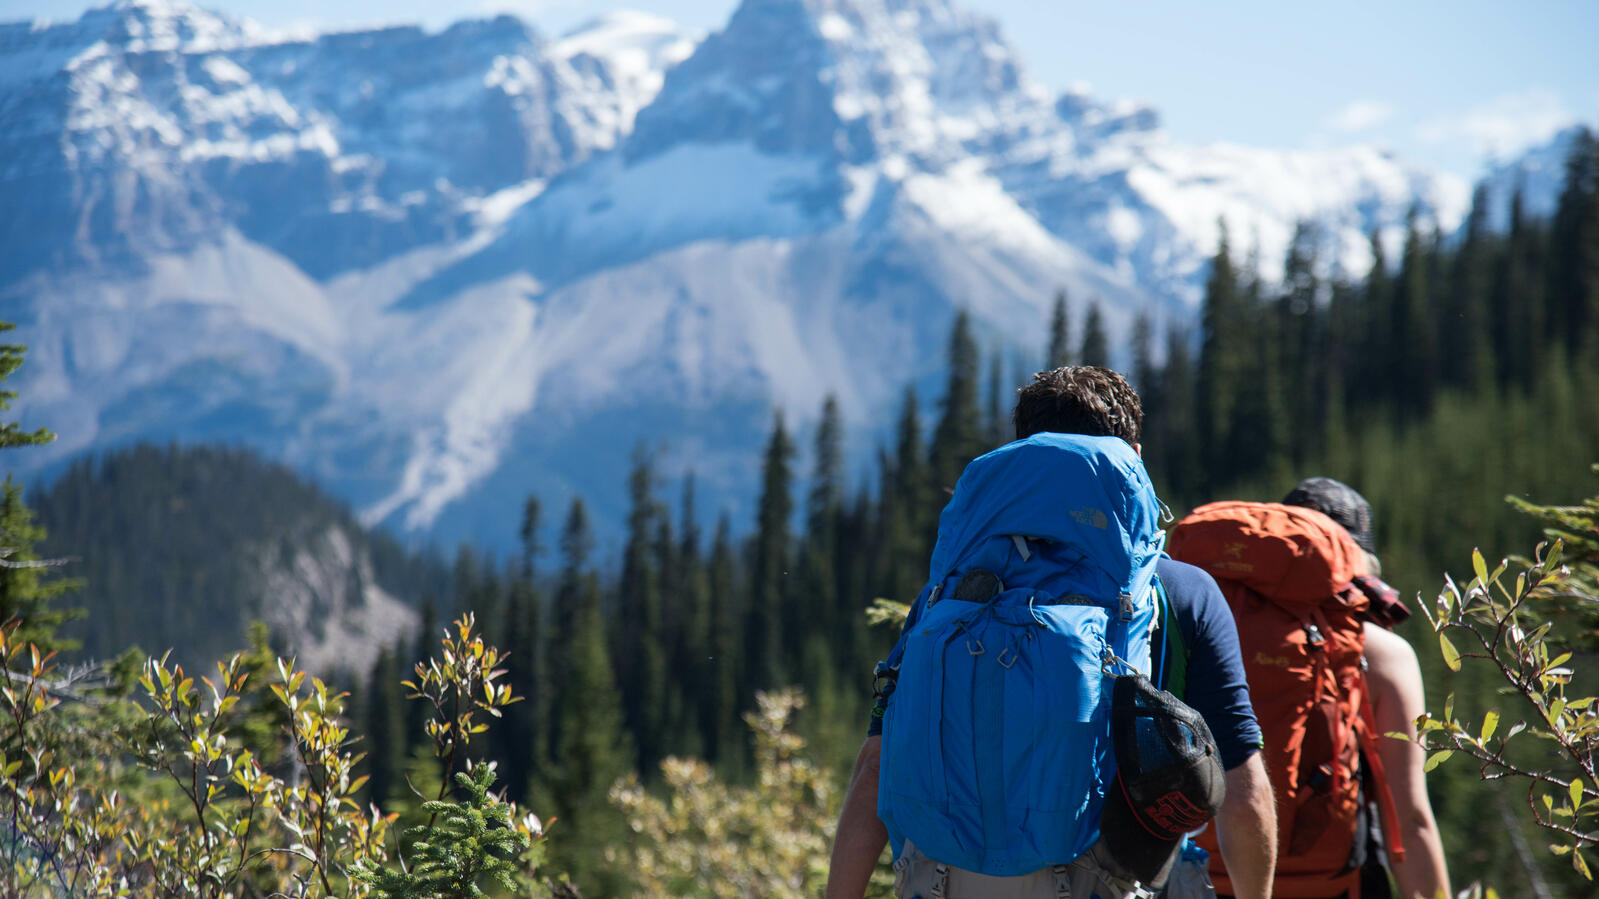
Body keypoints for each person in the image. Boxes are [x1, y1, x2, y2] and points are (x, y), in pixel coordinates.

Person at [825, 366, 1278, 899]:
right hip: (1096, 880)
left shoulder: (950, 594)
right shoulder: (1180, 592)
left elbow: (875, 768)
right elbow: (1242, 792)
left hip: (939, 879)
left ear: (1024, 454)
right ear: (1134, 455)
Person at [1282, 478, 1452, 899]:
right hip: (1336, 883)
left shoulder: (1226, 629)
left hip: (1218, 877)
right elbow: (1409, 820)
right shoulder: (1383, 654)